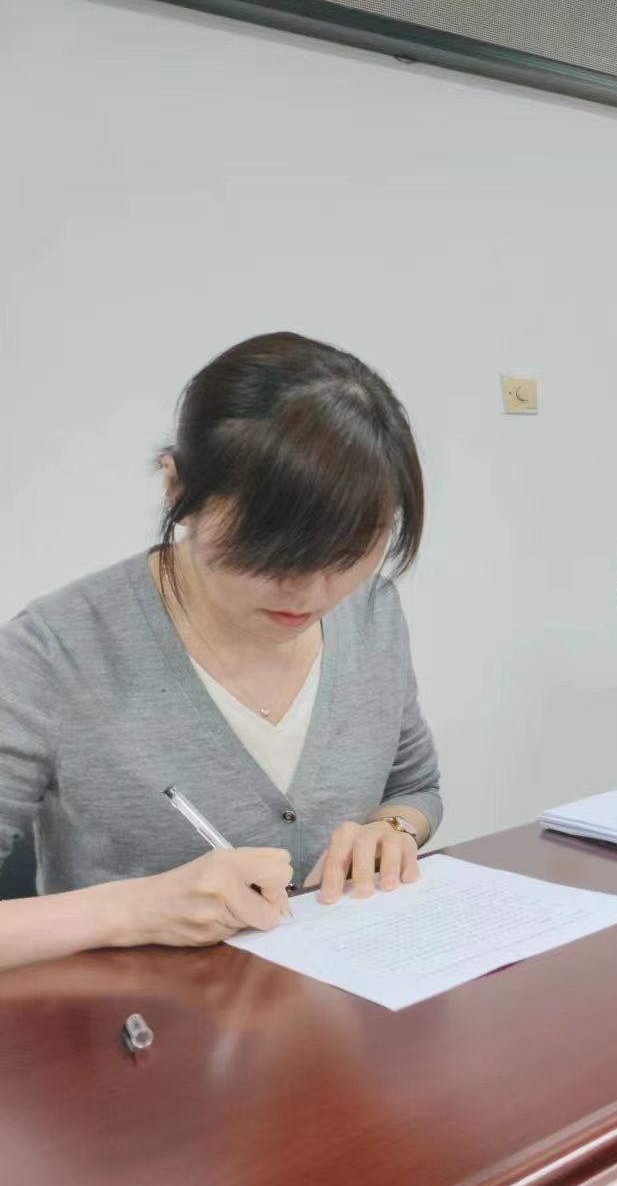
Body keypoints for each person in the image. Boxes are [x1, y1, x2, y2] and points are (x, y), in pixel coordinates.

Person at [0, 332, 441, 973]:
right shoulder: (54, 653)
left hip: (345, 1004)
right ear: (177, 488)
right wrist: (136, 908)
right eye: (274, 552)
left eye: (348, 553)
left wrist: (392, 831)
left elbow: (414, 785)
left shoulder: (370, 612)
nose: (313, 593)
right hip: (136, 1021)